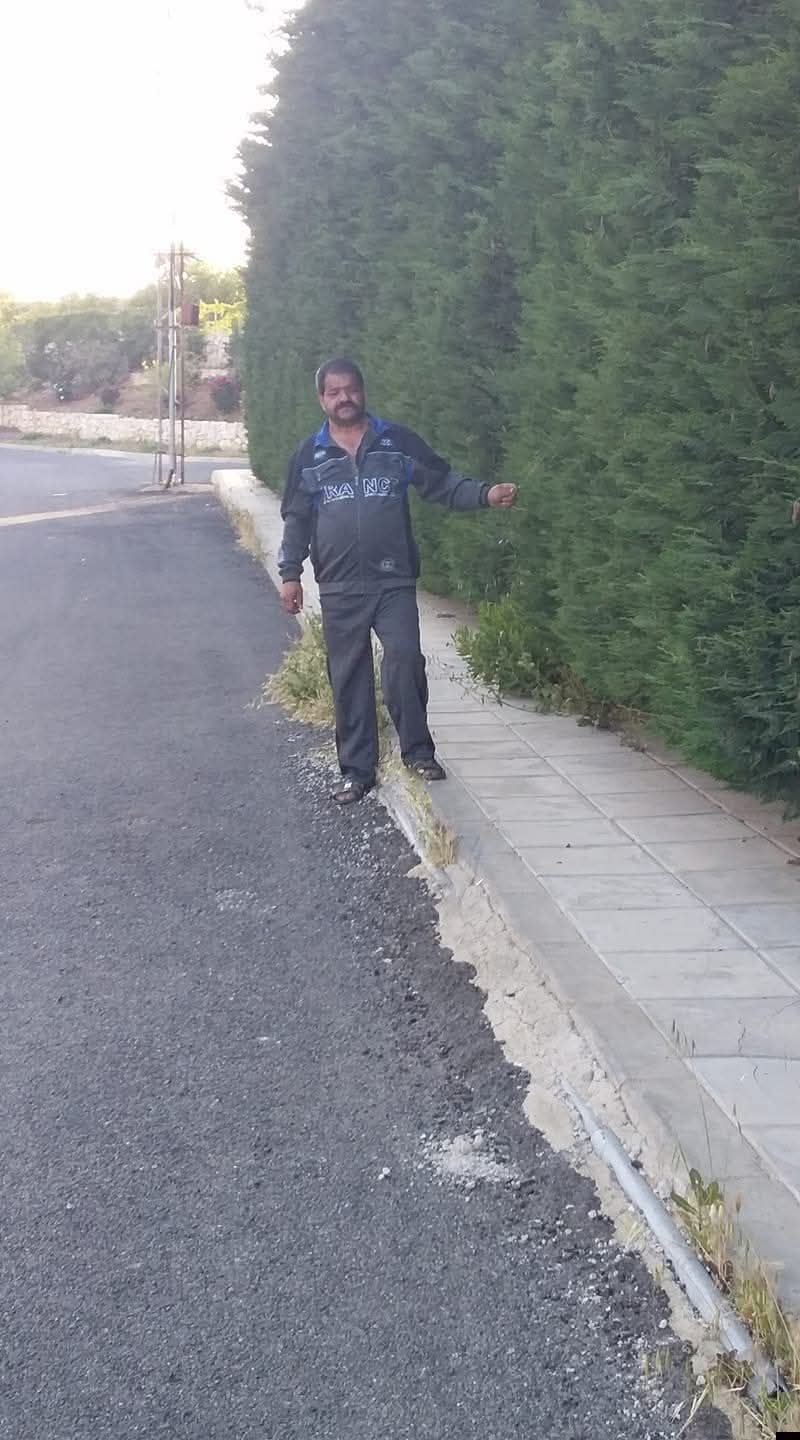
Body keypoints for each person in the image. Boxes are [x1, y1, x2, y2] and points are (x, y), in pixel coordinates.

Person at [278, 358, 517, 805]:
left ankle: (418, 752)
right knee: (348, 676)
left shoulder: (397, 442)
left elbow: (442, 482)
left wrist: (484, 494)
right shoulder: (308, 455)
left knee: (405, 659)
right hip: (339, 588)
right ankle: (357, 771)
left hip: (393, 581)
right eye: (334, 392)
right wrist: (290, 574)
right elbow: (296, 519)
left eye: (351, 389)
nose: (344, 398)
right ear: (322, 399)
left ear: (363, 391)